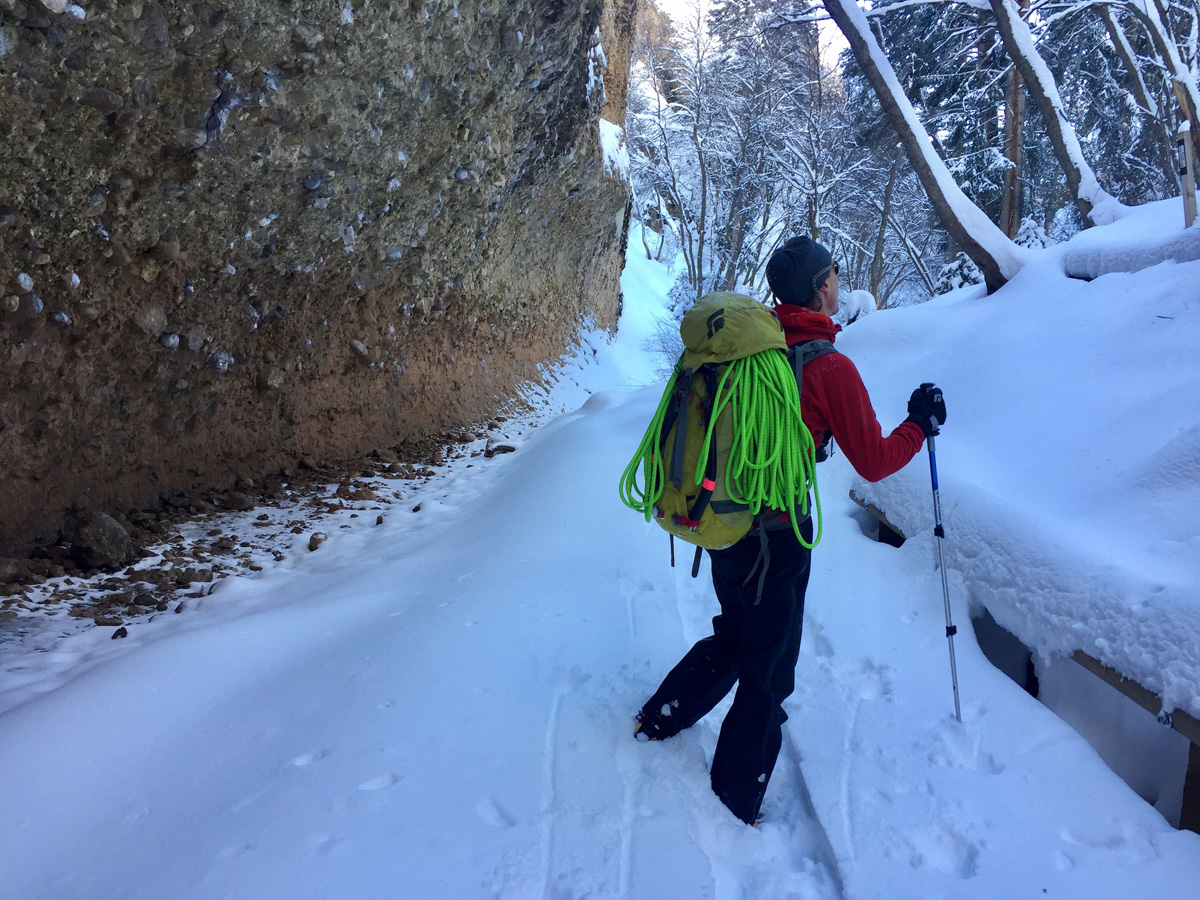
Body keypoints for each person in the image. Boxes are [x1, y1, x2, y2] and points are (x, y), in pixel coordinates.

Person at [634, 235, 946, 825]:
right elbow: (875, 462)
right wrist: (918, 424)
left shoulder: (754, 350)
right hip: (777, 537)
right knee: (770, 669)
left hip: (723, 525)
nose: (837, 281)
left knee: (735, 632)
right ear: (820, 287)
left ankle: (661, 716)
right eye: (833, 272)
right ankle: (733, 798)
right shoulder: (829, 367)